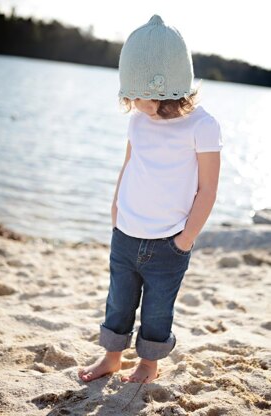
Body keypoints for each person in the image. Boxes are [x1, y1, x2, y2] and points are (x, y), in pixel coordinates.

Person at [78, 14, 223, 384]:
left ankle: (148, 364)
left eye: (138, 95)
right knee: (118, 302)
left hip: (169, 241)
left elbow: (207, 189)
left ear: (167, 87)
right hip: (125, 231)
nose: (133, 102)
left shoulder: (202, 126)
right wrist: (115, 208)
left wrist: (186, 238)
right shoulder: (138, 121)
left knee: (158, 309)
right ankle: (111, 357)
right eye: (128, 94)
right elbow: (129, 165)